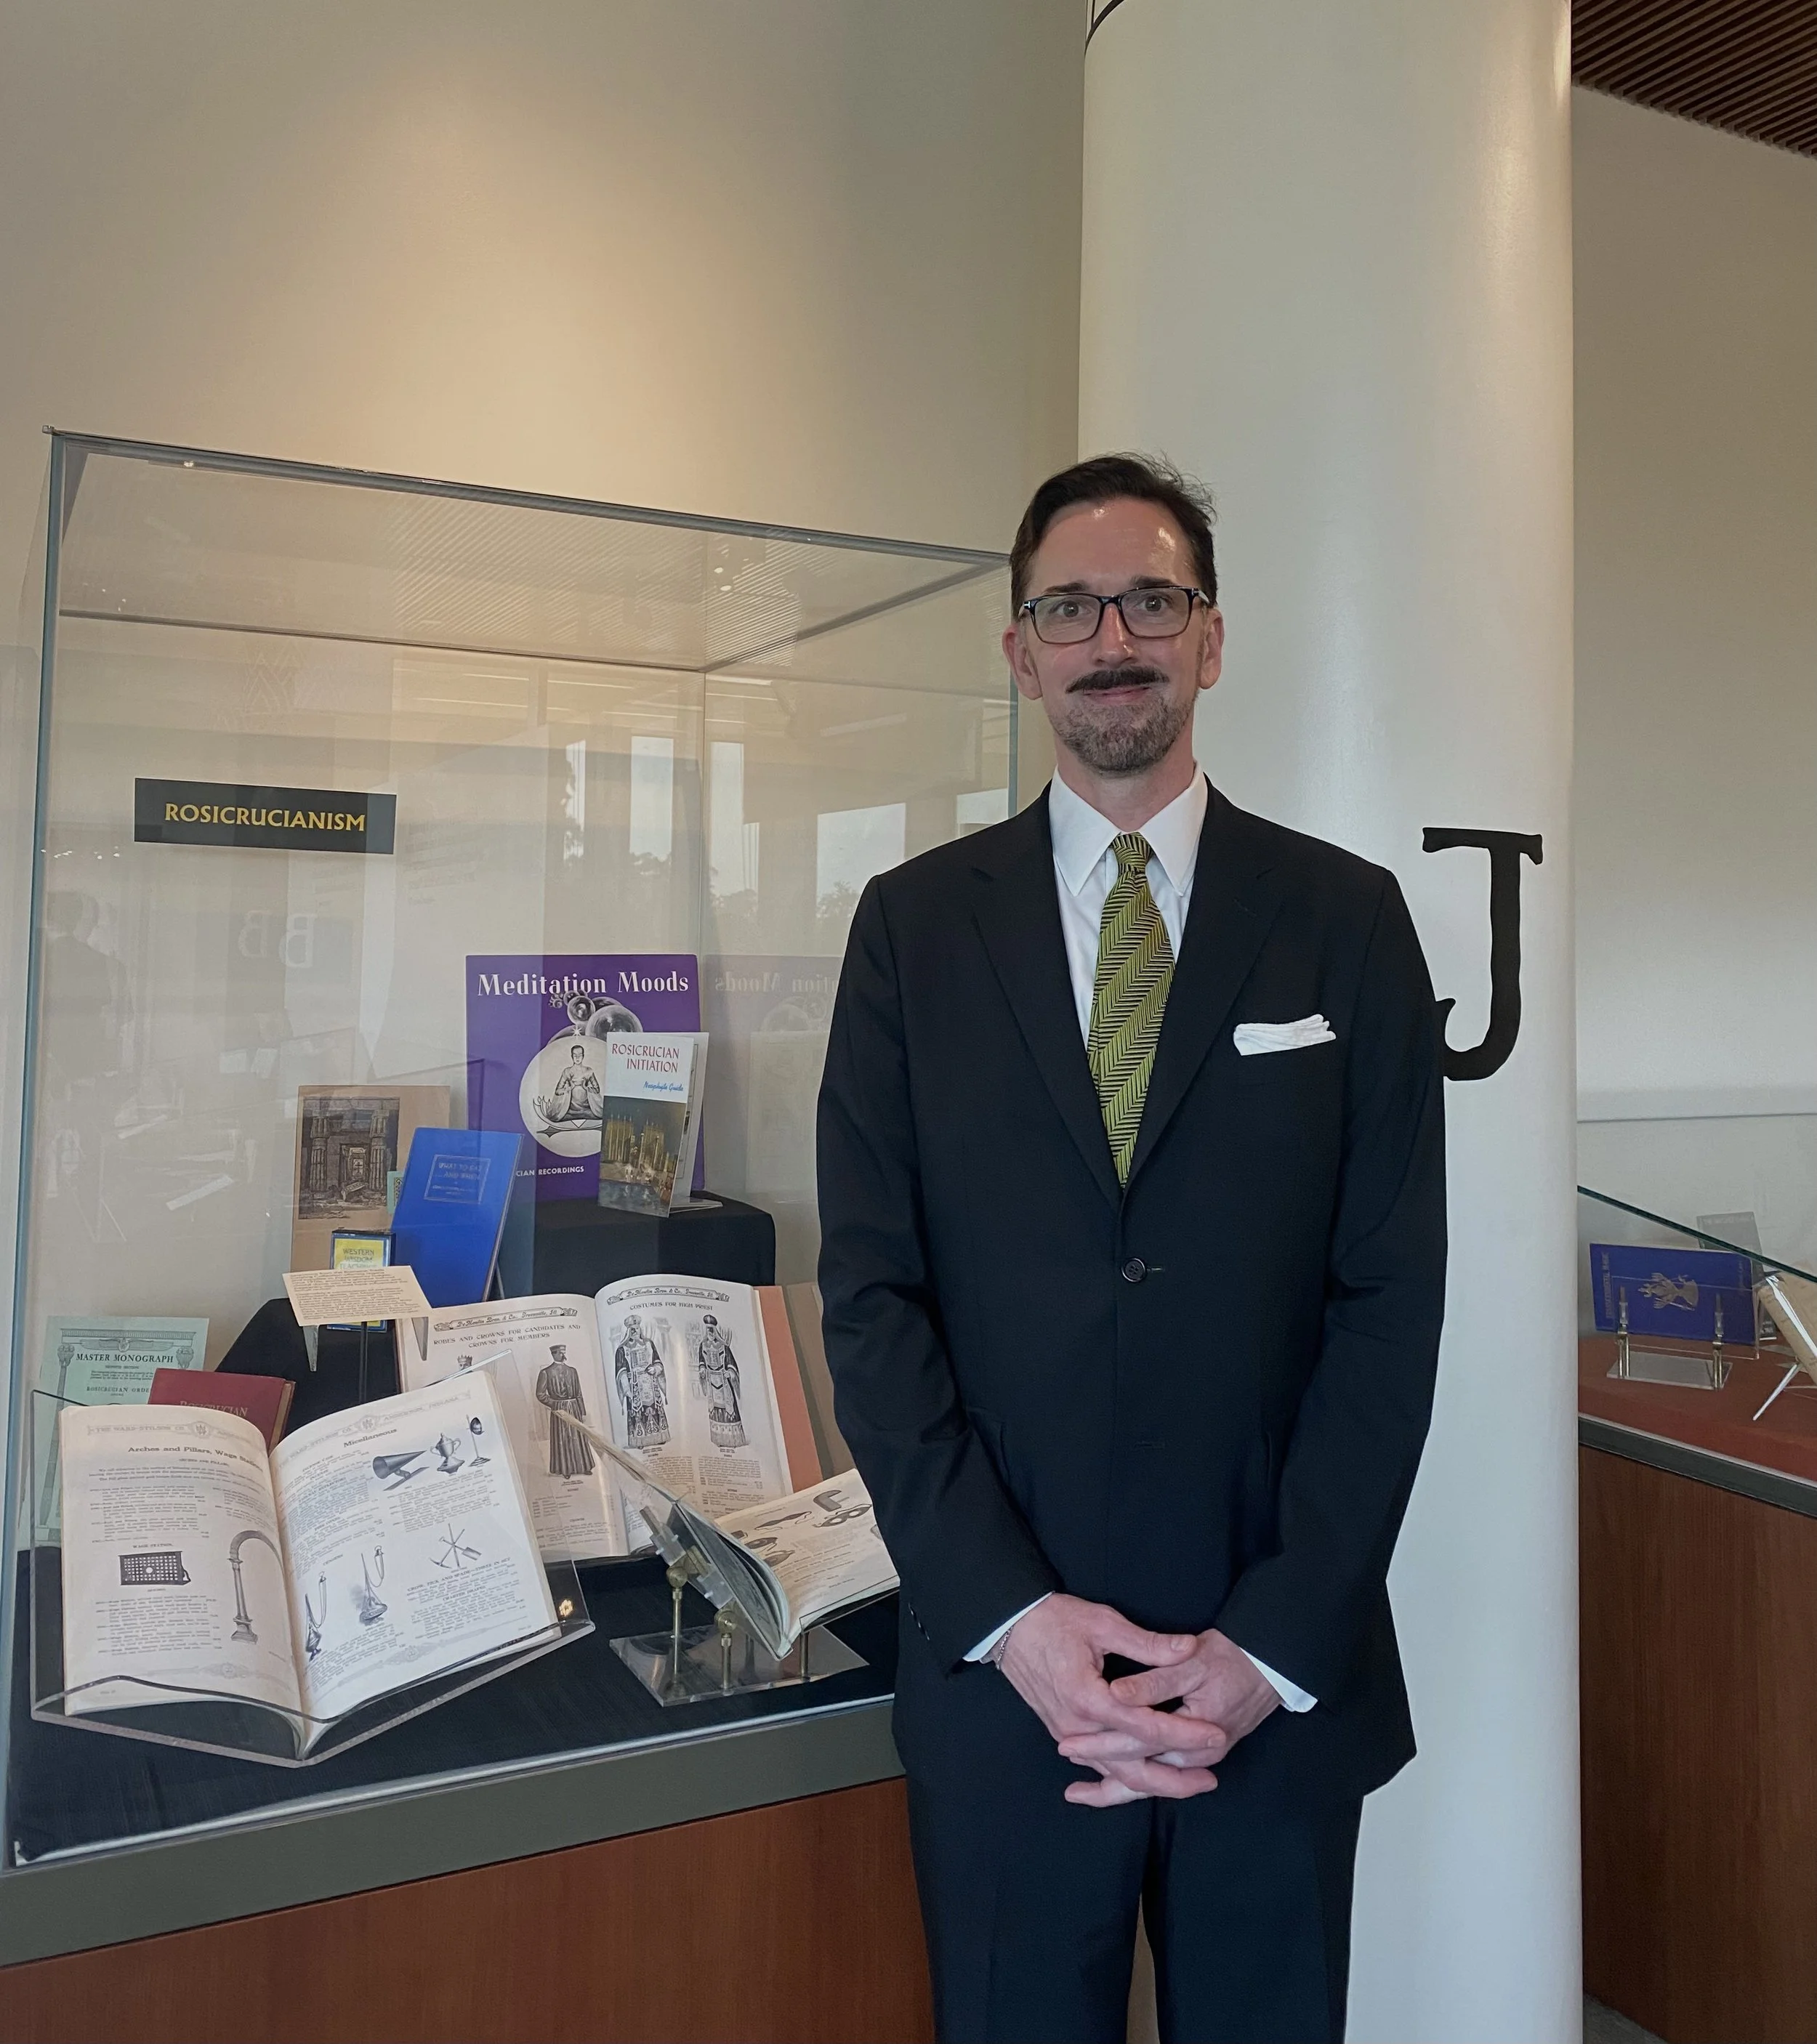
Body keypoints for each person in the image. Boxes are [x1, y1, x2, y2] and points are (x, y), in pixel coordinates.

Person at [817, 454, 1446, 2043]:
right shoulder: (910, 928)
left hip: (1271, 1681)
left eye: (1151, 599)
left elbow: (1389, 1304)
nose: (1114, 635)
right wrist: (1013, 1619)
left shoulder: (1347, 920)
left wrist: (1264, 1644)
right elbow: (873, 1302)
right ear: (1018, 647)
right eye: (1068, 605)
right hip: (1005, 1679)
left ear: (1211, 638)